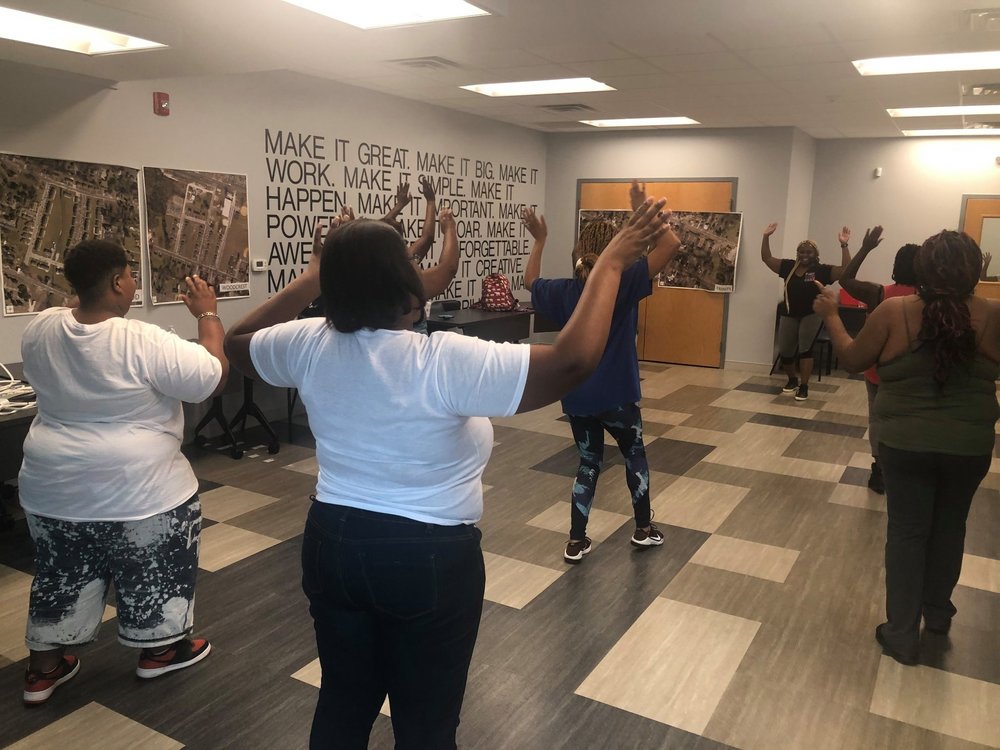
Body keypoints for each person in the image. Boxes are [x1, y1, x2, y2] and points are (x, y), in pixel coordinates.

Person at [224, 200, 671, 749]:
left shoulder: (308, 342)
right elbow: (572, 362)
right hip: (427, 556)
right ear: (404, 285)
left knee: (343, 702)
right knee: (426, 724)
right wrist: (609, 266)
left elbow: (236, 342)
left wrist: (311, 279)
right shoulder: (441, 359)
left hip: (332, 544)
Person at [18, 239, 227, 705]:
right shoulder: (144, 339)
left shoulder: (39, 329)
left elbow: (77, 313)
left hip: (53, 488)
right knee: (153, 569)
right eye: (129, 275)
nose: (133, 282)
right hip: (141, 490)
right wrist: (207, 316)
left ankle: (43, 670)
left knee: (59, 573)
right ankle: (159, 652)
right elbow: (212, 375)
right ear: (117, 282)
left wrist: (87, 289)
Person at [813, 230, 999, 666]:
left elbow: (856, 361)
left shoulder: (894, 311)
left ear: (922, 269)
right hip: (968, 446)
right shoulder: (992, 314)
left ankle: (900, 633)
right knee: (950, 529)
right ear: (976, 269)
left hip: (905, 445)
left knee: (908, 533)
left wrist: (832, 316)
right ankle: (937, 616)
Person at [524, 180, 682, 564]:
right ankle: (643, 529)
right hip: (619, 396)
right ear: (616, 251)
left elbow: (530, 282)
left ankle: (576, 540)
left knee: (588, 463)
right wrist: (645, 214)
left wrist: (540, 239)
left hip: (578, 397)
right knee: (634, 456)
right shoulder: (624, 282)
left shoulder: (562, 291)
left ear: (577, 251)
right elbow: (673, 246)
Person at [838, 226, 919, 493]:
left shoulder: (879, 293)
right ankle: (904, 469)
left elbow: (845, 279)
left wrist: (866, 248)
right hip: (911, 373)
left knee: (877, 420)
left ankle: (879, 471)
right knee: (907, 419)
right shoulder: (929, 300)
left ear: (896, 266)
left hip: (877, 372)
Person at [761, 222, 851, 401]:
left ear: (815, 254)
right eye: (801, 252)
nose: (804, 255)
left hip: (812, 314)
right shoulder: (788, 267)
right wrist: (766, 237)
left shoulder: (822, 270)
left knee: (805, 349)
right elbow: (767, 258)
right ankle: (792, 380)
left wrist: (844, 245)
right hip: (789, 313)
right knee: (786, 349)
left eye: (809, 252)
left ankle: (804, 386)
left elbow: (846, 270)